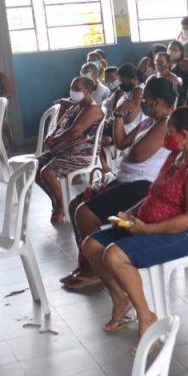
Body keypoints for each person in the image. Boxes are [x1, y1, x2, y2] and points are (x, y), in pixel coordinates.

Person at [81, 107, 188, 336]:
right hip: (150, 226)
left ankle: (146, 316)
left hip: (185, 235)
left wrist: (147, 229)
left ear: (185, 134)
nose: (165, 137)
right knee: (92, 245)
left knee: (115, 256)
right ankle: (121, 300)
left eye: (170, 132)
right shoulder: (176, 156)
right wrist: (131, 214)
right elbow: (154, 194)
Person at [61, 77, 174, 289]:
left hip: (143, 186)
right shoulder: (150, 122)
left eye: (145, 99)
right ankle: (88, 263)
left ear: (156, 101)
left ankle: (97, 271)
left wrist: (126, 152)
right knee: (75, 205)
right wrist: (119, 116)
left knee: (85, 214)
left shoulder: (165, 124)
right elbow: (122, 143)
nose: (142, 103)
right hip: (127, 180)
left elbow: (137, 154)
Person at [35, 76, 104, 224]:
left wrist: (55, 140)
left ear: (87, 91)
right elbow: (59, 126)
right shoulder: (76, 106)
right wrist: (50, 136)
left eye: (77, 89)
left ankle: (61, 205)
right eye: (72, 88)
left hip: (80, 154)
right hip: (62, 151)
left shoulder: (93, 109)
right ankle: (56, 201)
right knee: (35, 166)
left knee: (47, 172)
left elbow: (74, 132)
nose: (73, 92)